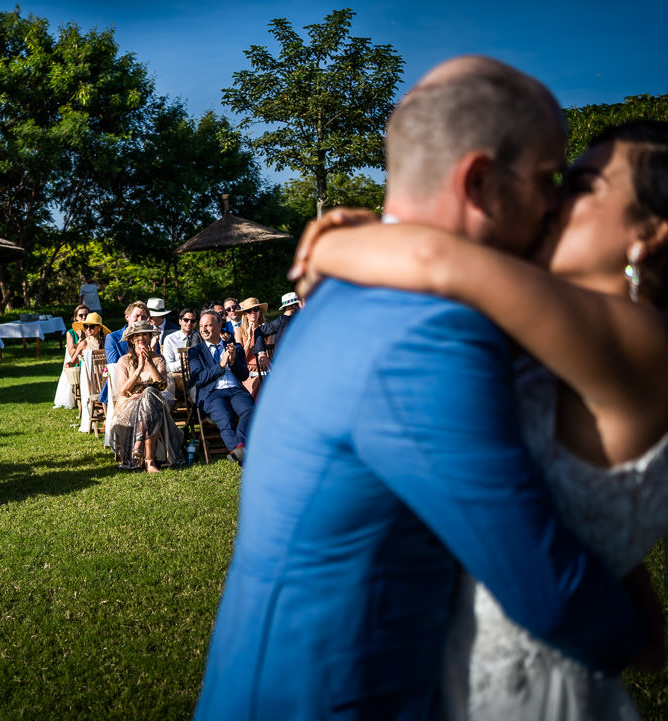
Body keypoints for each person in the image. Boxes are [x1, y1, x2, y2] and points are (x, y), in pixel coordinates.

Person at [194, 57, 655, 721]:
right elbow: (545, 589)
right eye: (549, 179)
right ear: (481, 182)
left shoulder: (354, 288)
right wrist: (641, 632)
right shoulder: (423, 331)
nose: (558, 206)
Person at [297, 119, 668, 719]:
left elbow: (438, 261)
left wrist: (332, 242)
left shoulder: (645, 344)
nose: (551, 201)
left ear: (652, 231)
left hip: (528, 689)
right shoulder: (576, 341)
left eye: (579, 186)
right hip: (473, 654)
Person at [110, 322, 183, 472]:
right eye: (137, 335)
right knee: (149, 405)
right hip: (131, 403)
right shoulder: (124, 361)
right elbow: (123, 391)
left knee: (150, 394)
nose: (141, 337)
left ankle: (139, 444)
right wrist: (139, 368)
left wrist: (150, 362)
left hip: (155, 401)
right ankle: (149, 461)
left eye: (145, 334)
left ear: (150, 337)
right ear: (131, 340)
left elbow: (162, 386)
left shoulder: (159, 359)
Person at [187, 310, 253, 466]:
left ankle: (239, 448)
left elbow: (243, 375)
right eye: (201, 326)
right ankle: (245, 458)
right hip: (212, 393)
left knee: (250, 411)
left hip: (235, 389)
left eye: (208, 325)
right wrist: (221, 365)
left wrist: (233, 361)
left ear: (219, 326)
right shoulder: (196, 351)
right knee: (225, 418)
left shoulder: (234, 346)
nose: (203, 329)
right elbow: (200, 379)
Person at [100, 301, 149, 405]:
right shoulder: (113, 338)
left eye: (143, 317)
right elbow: (114, 365)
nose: (140, 320)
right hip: (123, 379)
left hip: (147, 379)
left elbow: (155, 360)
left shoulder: (150, 337)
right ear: (127, 317)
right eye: (137, 316)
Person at [54, 304, 90, 409]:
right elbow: (71, 353)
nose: (83, 318)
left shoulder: (93, 329)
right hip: (77, 362)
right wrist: (80, 340)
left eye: (86, 315)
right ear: (75, 318)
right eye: (81, 315)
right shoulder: (70, 333)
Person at [233, 297, 269, 399]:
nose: (253, 313)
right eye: (249, 311)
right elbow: (240, 358)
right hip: (249, 374)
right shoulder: (239, 331)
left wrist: (263, 335)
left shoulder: (266, 329)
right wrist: (249, 339)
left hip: (264, 371)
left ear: (260, 312)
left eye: (256, 309)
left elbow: (270, 353)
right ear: (245, 314)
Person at [253, 291, 300, 358]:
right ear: (291, 306)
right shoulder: (282, 321)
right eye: (297, 304)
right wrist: (261, 353)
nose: (300, 306)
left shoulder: (281, 321)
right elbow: (259, 330)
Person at [162, 308, 201, 375]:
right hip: (177, 377)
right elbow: (167, 366)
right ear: (180, 321)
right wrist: (183, 363)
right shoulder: (170, 339)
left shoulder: (201, 338)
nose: (189, 323)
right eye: (186, 320)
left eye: (193, 321)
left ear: (196, 323)